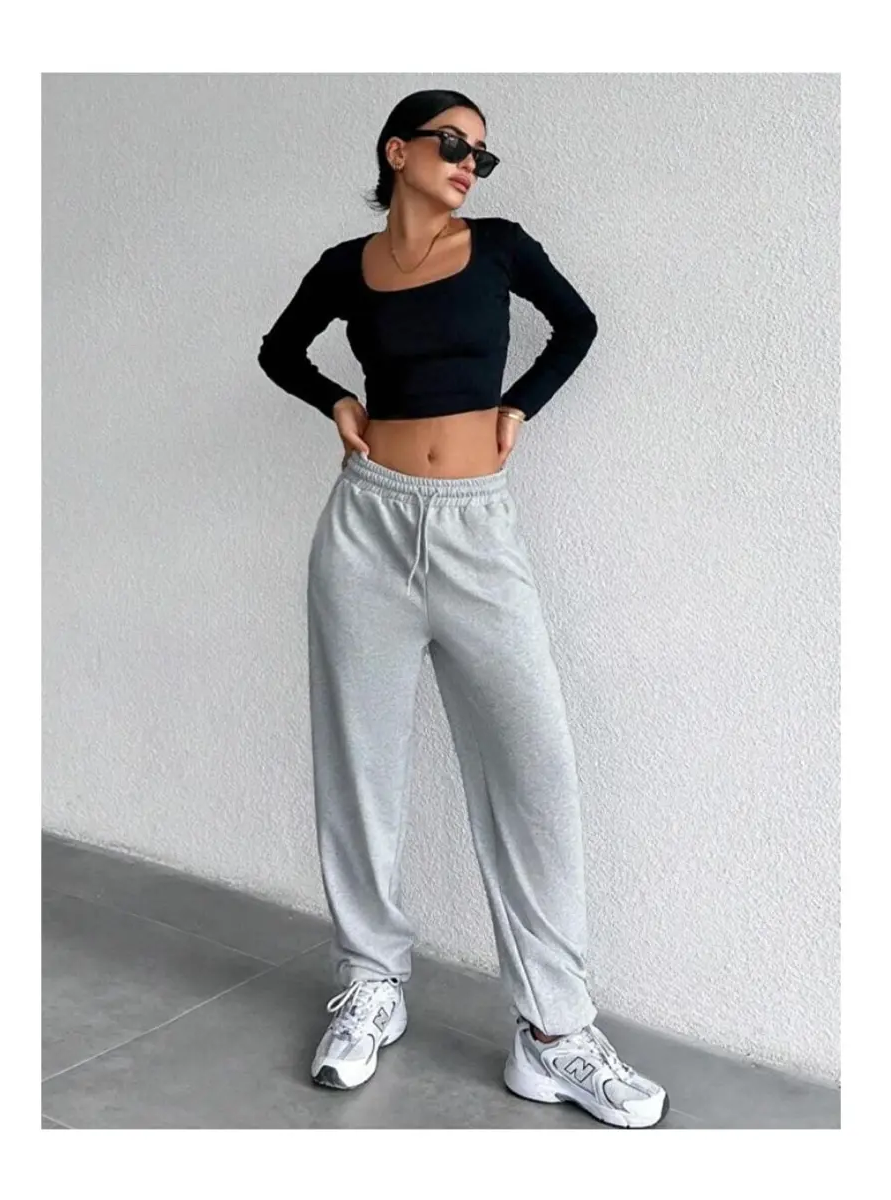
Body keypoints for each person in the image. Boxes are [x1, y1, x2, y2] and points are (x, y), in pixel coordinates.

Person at [257, 88, 669, 1130]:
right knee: (359, 764)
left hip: (476, 528)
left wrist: (519, 406)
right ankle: (371, 982)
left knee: (535, 766)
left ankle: (554, 1033)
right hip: (365, 526)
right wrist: (335, 400)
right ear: (397, 150)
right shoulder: (345, 267)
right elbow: (279, 350)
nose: (470, 164)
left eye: (482, 154)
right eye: (453, 143)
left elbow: (578, 325)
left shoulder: (500, 247)